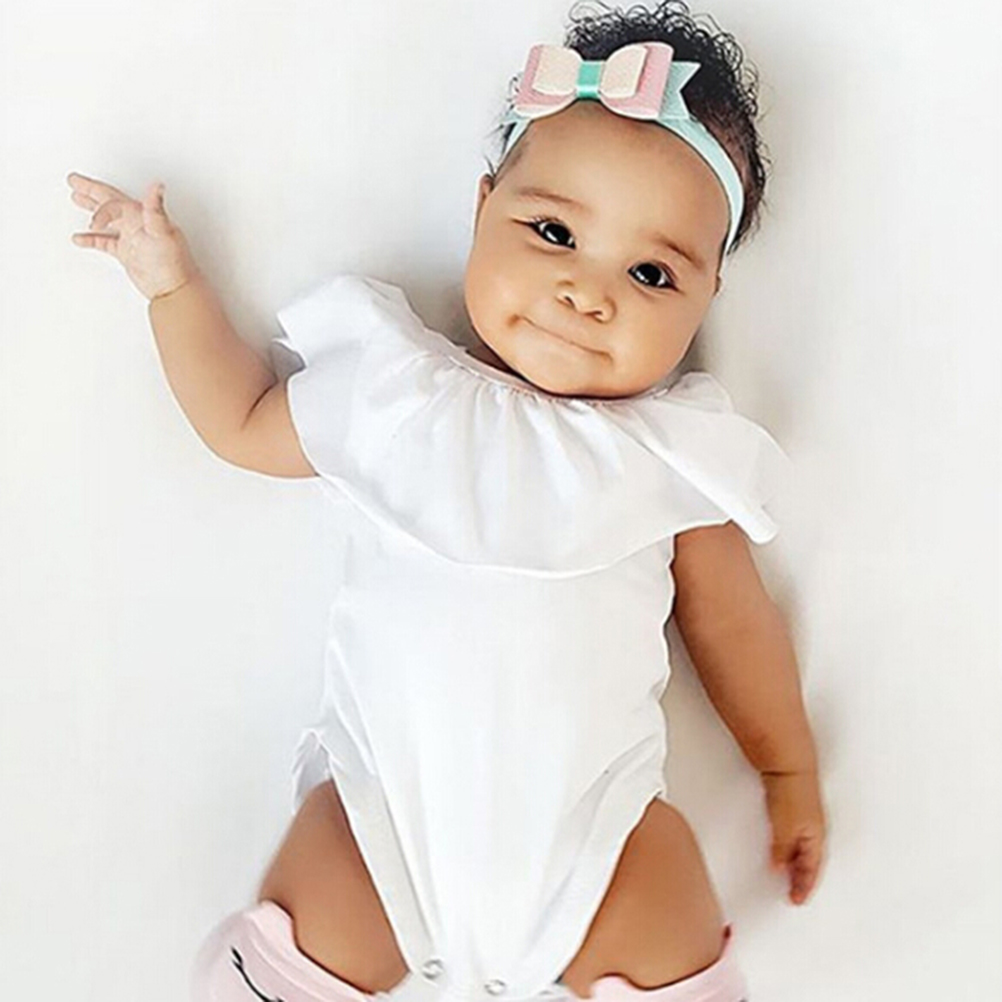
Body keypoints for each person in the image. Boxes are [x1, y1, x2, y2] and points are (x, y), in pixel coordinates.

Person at [66, 3, 827, 1000]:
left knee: (665, 898)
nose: (586, 293)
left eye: (650, 273)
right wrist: (174, 290)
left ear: (705, 297)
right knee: (307, 924)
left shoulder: (670, 459)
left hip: (599, 845)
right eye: (553, 232)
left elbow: (735, 624)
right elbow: (243, 420)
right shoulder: (395, 396)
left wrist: (785, 767)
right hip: (382, 819)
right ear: (482, 208)